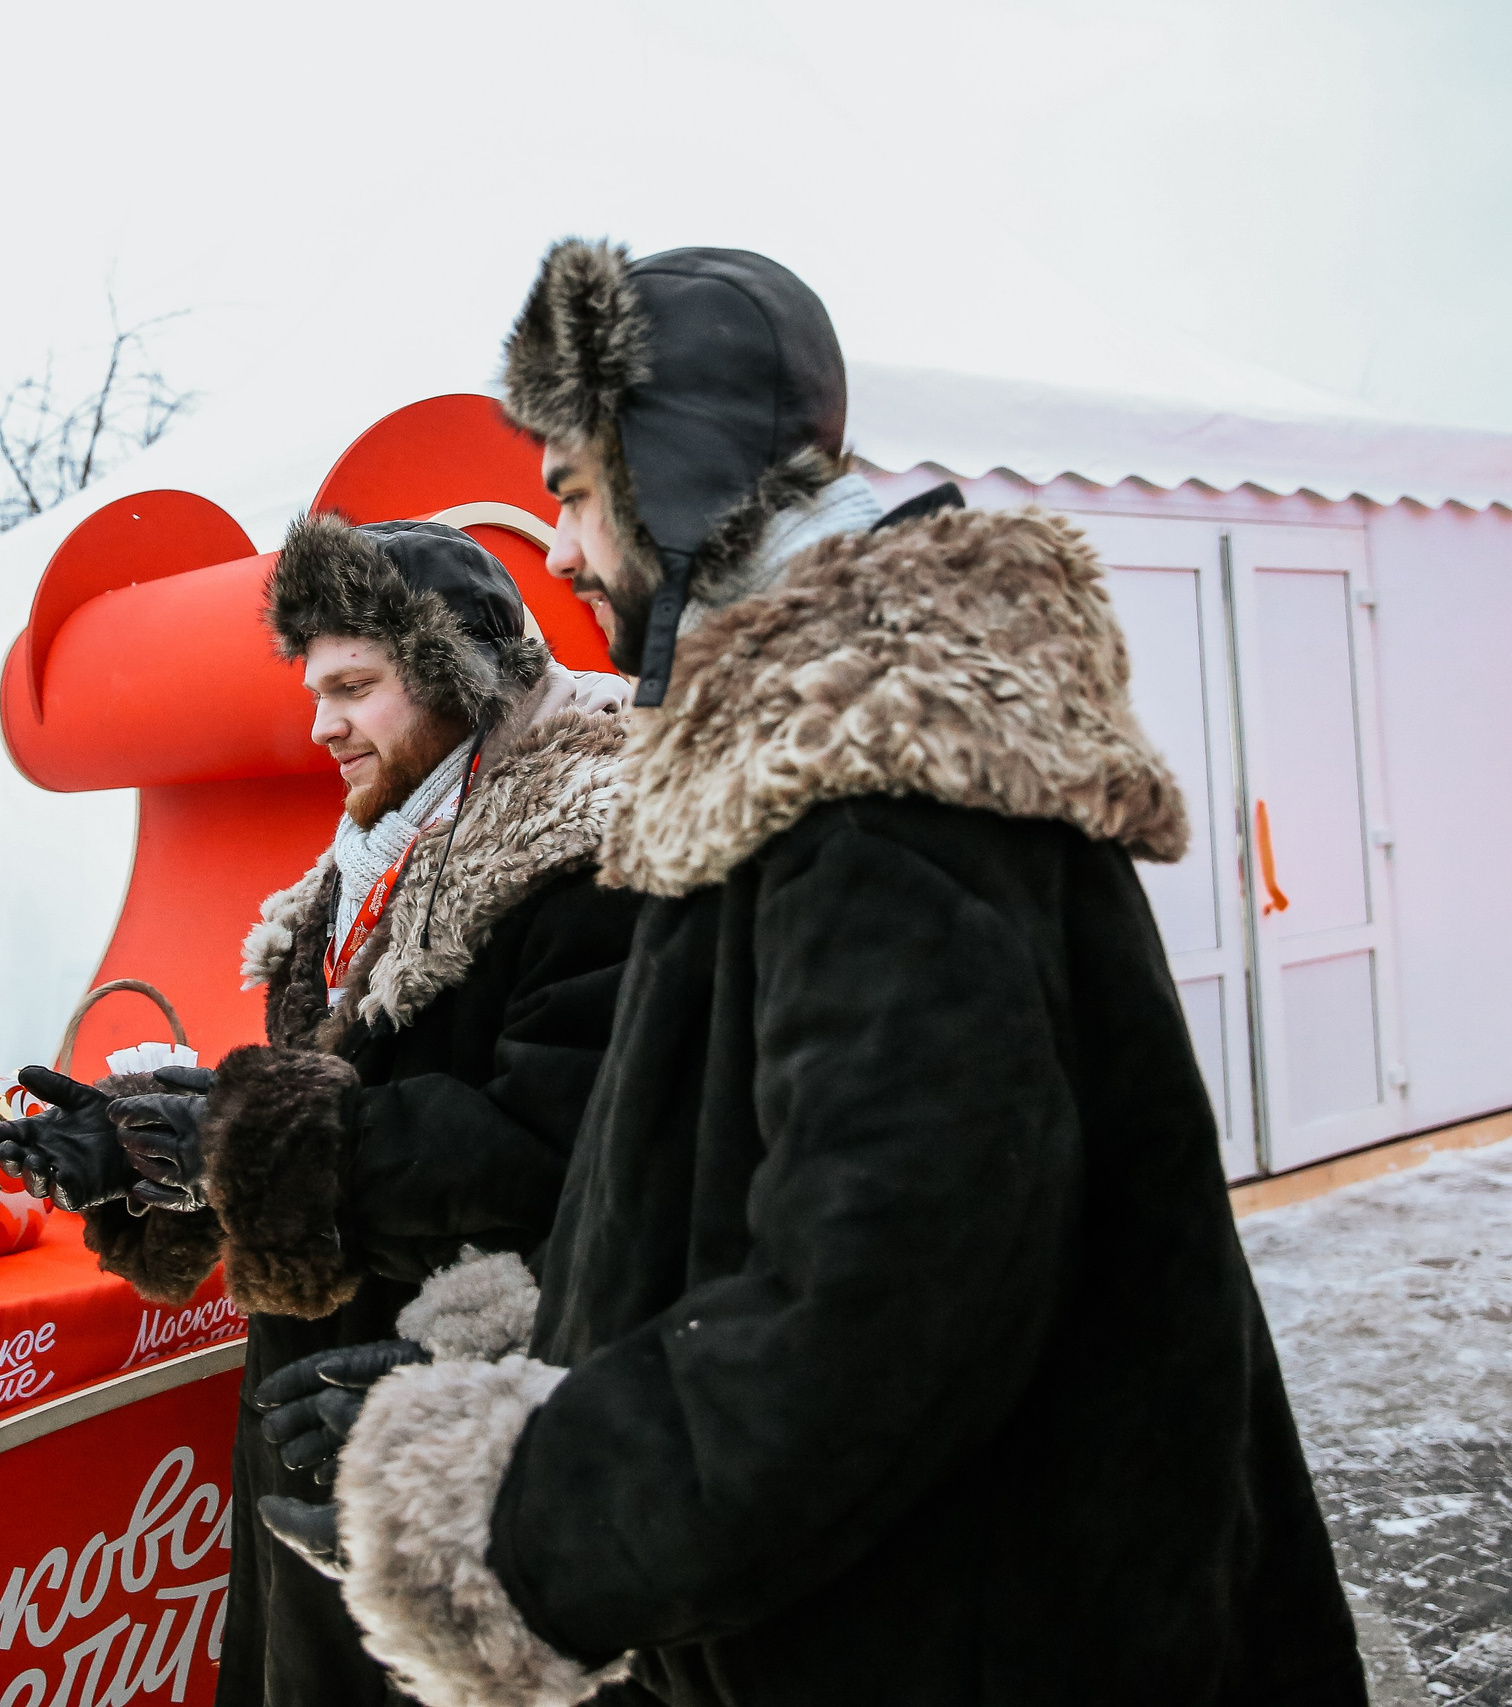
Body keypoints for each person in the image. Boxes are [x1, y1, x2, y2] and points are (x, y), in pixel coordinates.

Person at [273, 243, 1369, 1706]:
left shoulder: (878, 794)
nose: (565, 552)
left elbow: (874, 1314)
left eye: (577, 494)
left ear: (674, 477)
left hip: (978, 1636)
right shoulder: (824, 756)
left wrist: (523, 1509)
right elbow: (746, 1200)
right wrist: (536, 1377)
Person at [0, 517, 640, 1705]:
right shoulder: (361, 860)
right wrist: (152, 1155)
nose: (320, 727)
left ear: (455, 676)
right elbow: (332, 1096)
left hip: (468, 1407)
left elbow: (554, 1146)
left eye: (354, 687)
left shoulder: (585, 855)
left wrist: (241, 1141)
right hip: (321, 1398)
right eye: (315, 690)